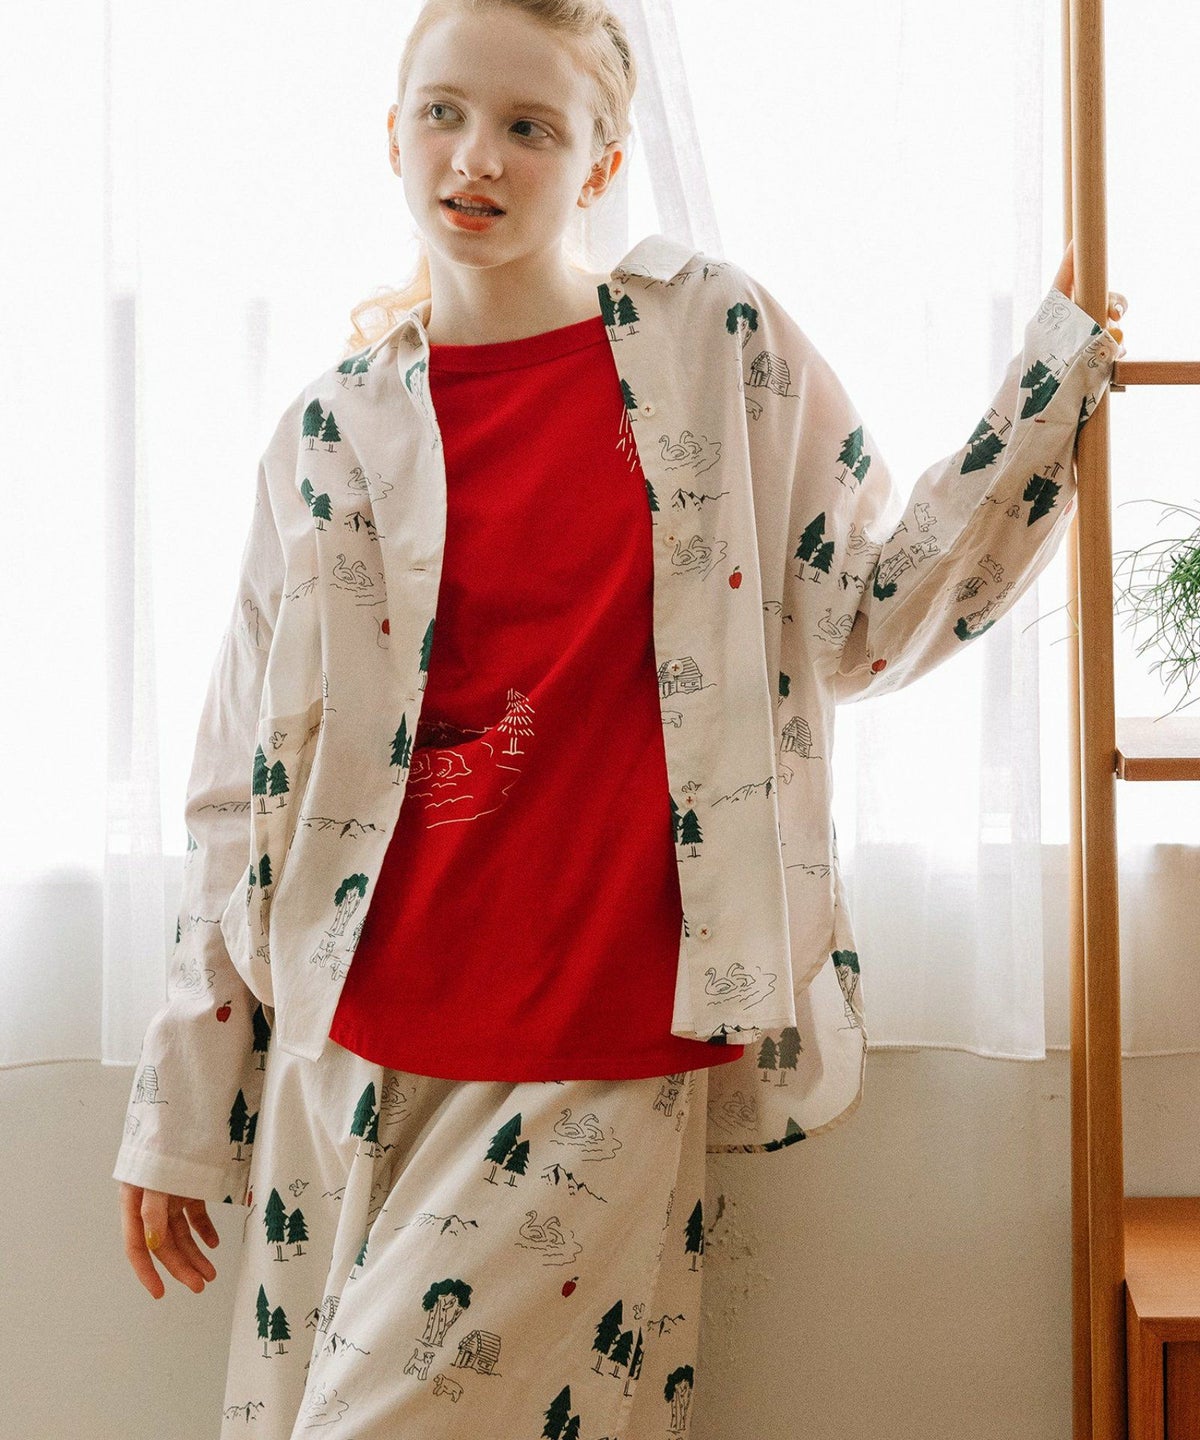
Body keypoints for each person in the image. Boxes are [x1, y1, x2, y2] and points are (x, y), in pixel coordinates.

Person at [114, 2, 1128, 1435]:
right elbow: (241, 783)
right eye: (444, 112)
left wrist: (1048, 387)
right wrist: (179, 1101)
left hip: (596, 1044)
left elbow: (863, 613)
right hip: (349, 1048)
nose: (477, 156)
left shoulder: (710, 343)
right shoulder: (329, 430)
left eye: (529, 127)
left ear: (599, 162)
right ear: (391, 134)